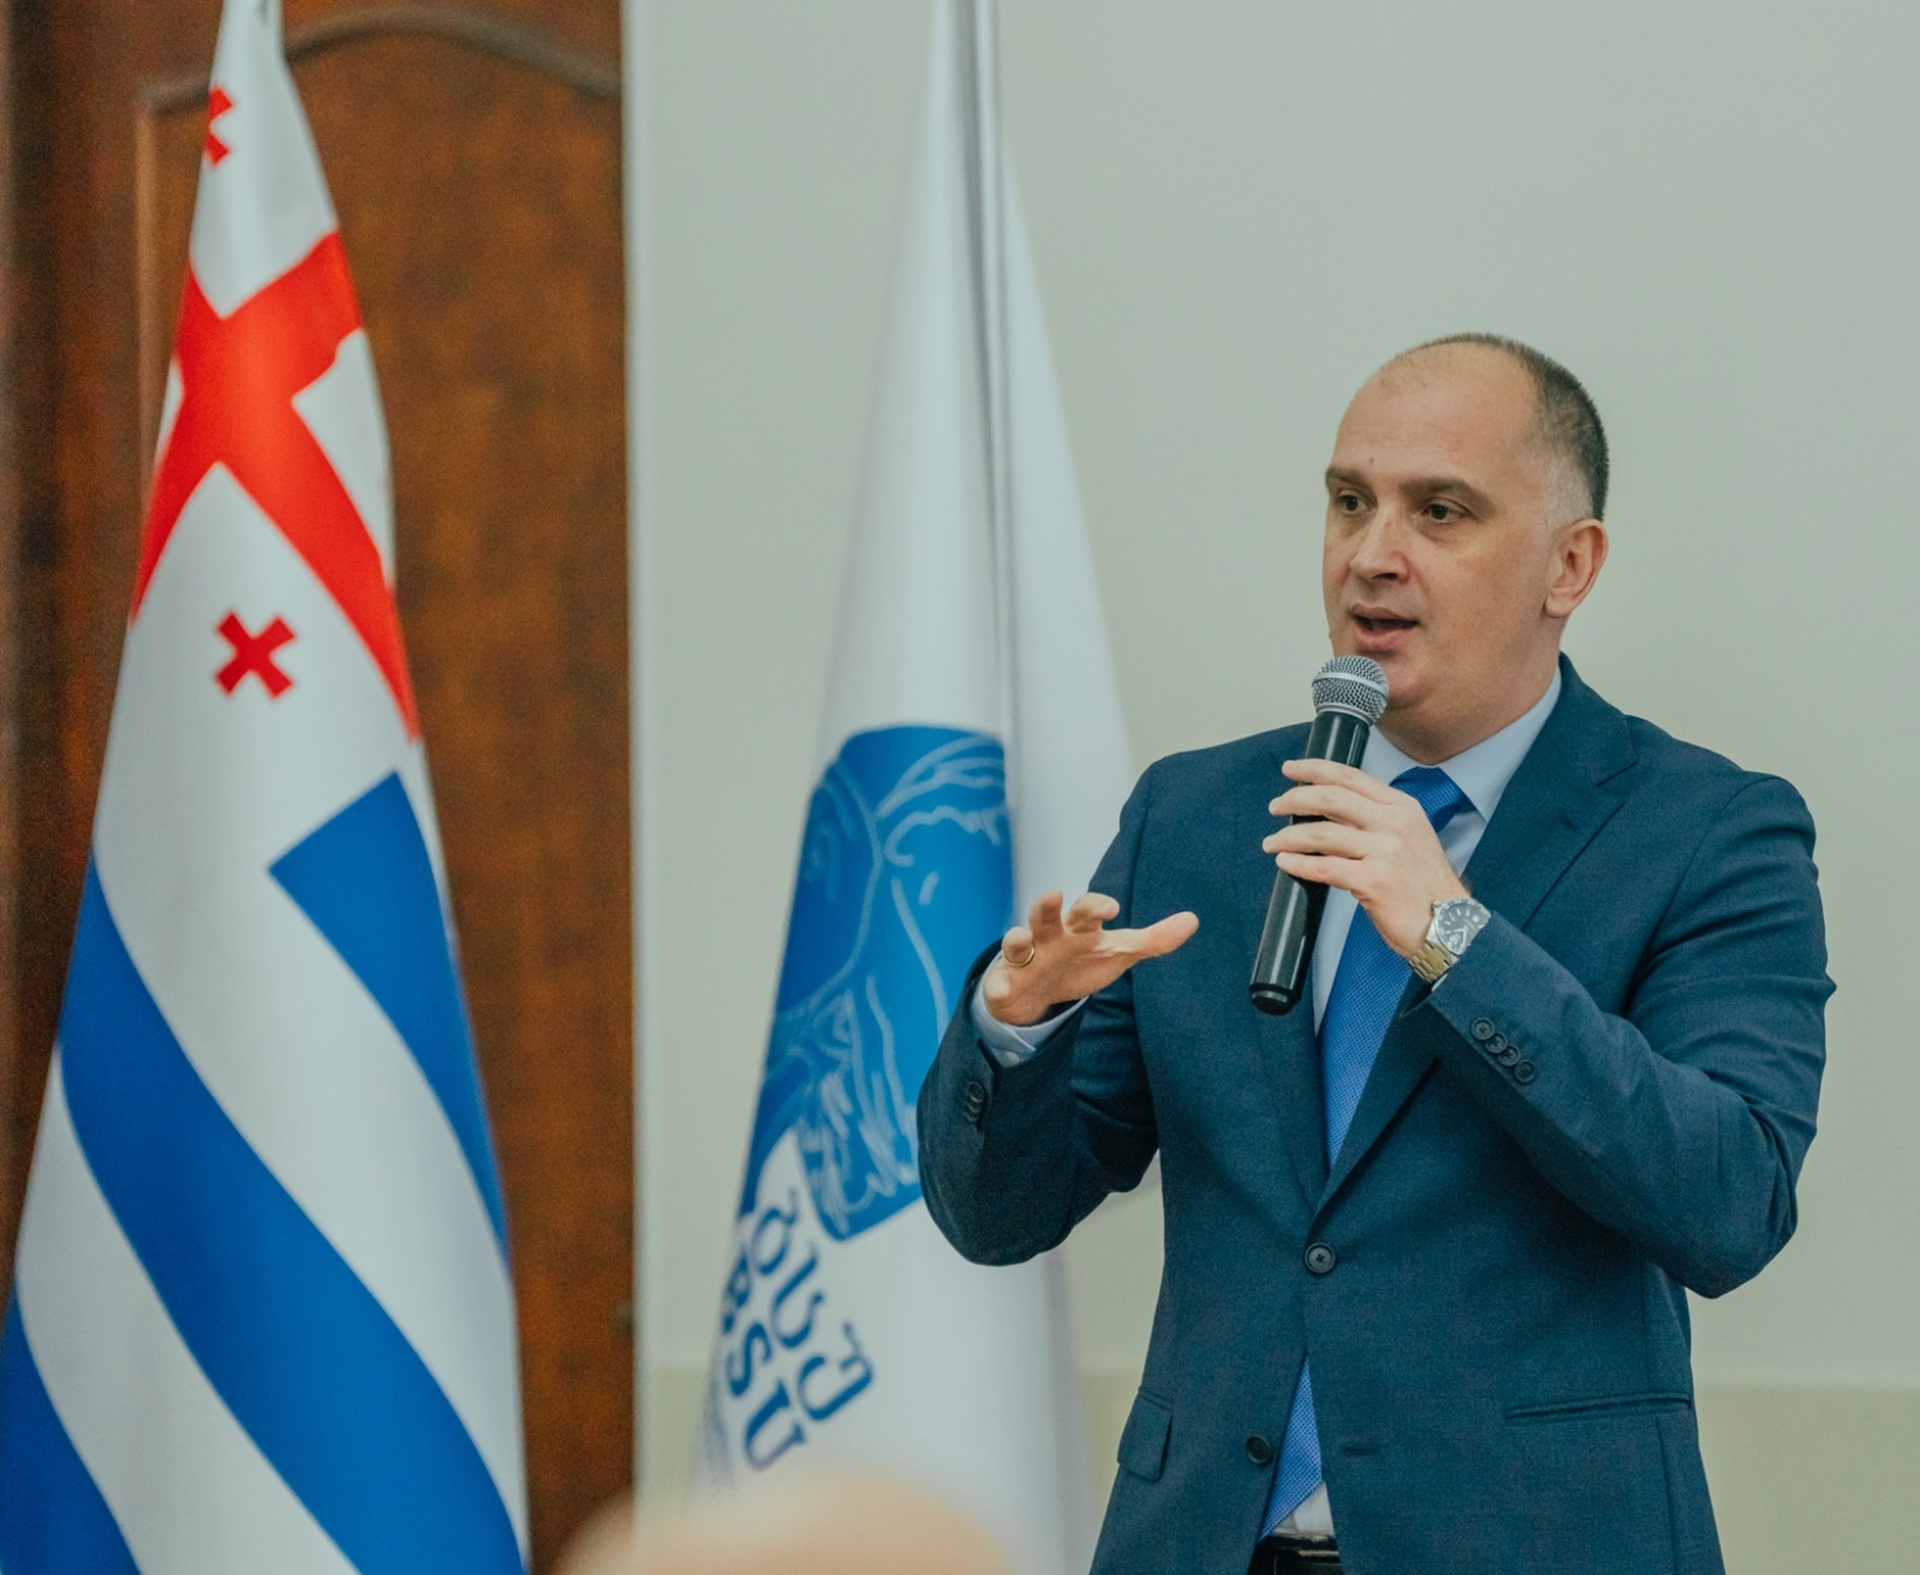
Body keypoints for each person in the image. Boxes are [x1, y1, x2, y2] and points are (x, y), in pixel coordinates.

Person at [916, 335, 1831, 1575]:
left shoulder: (1707, 830)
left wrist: (1457, 938)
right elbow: (1000, 1220)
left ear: (1571, 564)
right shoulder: (1196, 817)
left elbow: (1728, 1204)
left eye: (1439, 511)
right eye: (1350, 502)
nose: (1371, 555)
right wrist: (1014, 1030)